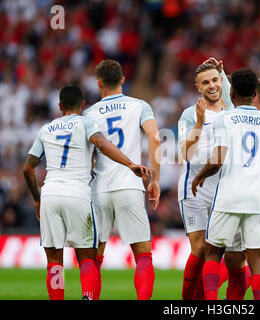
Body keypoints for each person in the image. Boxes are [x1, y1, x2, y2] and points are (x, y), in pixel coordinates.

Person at [22, 85, 151, 300]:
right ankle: (88, 297)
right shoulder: (86, 122)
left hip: (50, 195)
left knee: (54, 261)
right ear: (82, 105)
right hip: (78, 194)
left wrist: (37, 199)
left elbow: (27, 169)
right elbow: (101, 143)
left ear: (60, 106)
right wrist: (129, 164)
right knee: (87, 259)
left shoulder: (45, 129)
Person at [192, 68, 260, 300]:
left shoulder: (224, 119)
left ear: (233, 93)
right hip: (257, 200)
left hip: (228, 196)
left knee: (213, 254)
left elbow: (218, 159)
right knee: (257, 259)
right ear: (254, 94)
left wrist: (200, 176)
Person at [83, 59, 161, 300]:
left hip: (99, 190)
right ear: (123, 81)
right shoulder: (139, 106)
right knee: (143, 256)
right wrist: (154, 179)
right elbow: (155, 138)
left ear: (99, 83)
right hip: (130, 186)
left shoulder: (88, 114)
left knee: (93, 257)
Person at [177, 60, 235, 300]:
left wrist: (222, 70)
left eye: (215, 80)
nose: (211, 86)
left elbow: (234, 92)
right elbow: (184, 152)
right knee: (200, 249)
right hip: (195, 187)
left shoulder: (231, 111)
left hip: (223, 189)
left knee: (218, 252)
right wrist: (199, 125)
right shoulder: (190, 114)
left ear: (221, 81)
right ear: (197, 87)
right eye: (205, 82)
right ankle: (187, 302)